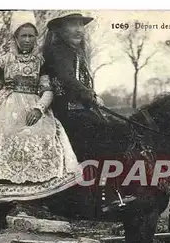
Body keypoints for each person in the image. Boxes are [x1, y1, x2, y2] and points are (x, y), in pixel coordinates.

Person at [0, 11, 84, 203]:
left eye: (31, 36)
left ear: (36, 38)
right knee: (1, 132)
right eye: (23, 36)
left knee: (44, 134)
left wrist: (39, 109)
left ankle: (39, 185)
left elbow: (47, 90)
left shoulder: (40, 62)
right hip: (5, 105)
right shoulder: (3, 61)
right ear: (15, 38)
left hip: (34, 104)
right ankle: (1, 180)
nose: (27, 40)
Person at [41, 11, 135, 213]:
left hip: (79, 111)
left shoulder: (74, 52)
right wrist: (90, 96)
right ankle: (107, 195)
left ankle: (112, 190)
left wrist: (91, 97)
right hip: (67, 112)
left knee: (119, 129)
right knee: (112, 134)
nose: (78, 29)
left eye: (80, 25)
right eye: (72, 24)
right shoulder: (58, 51)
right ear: (60, 29)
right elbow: (68, 80)